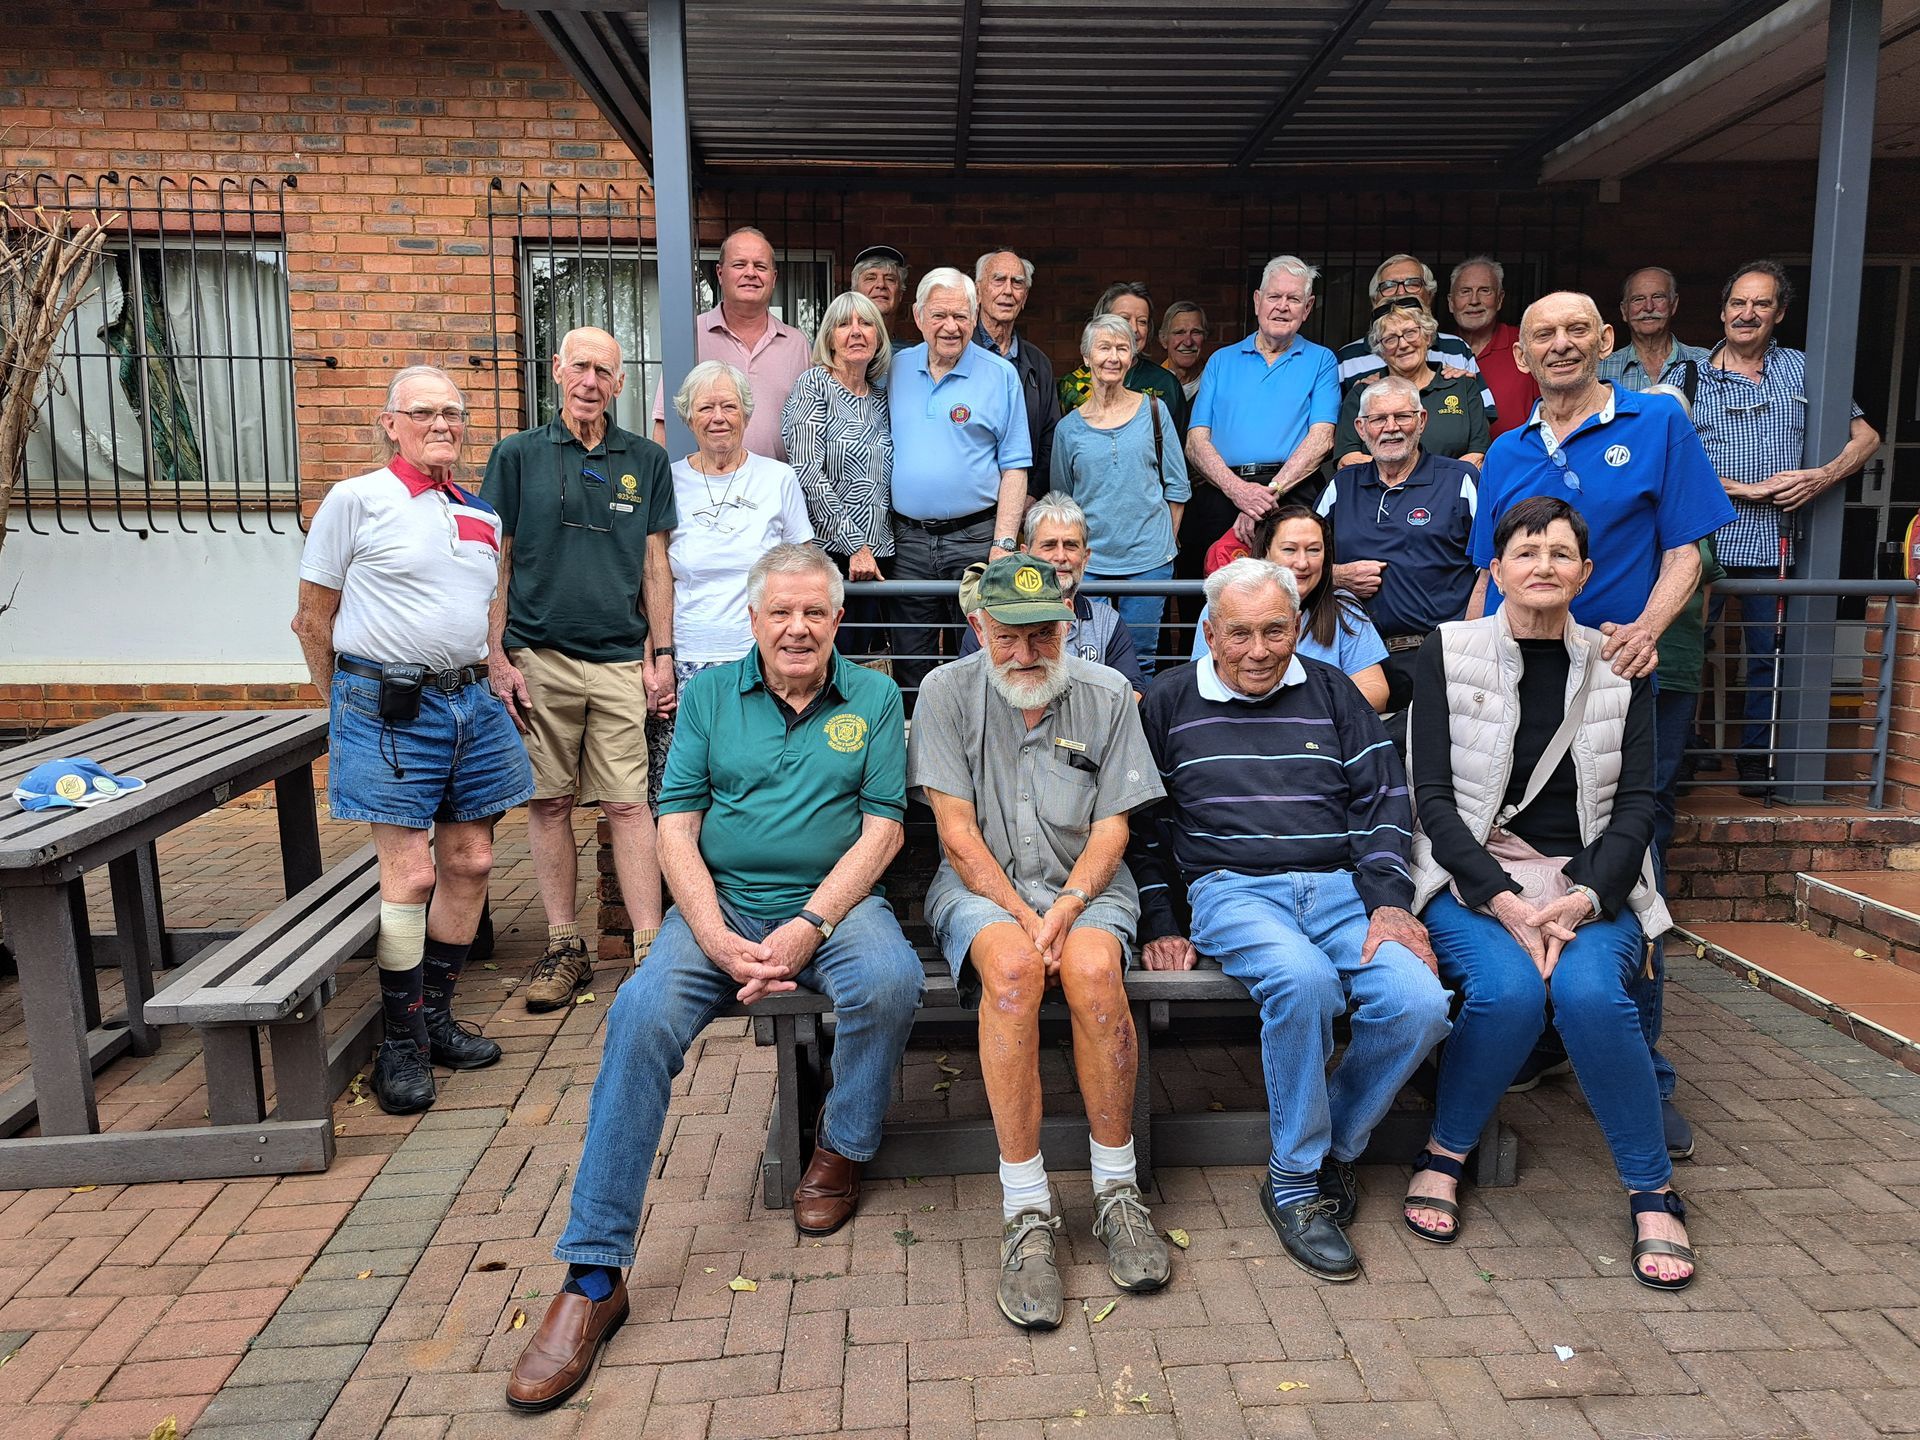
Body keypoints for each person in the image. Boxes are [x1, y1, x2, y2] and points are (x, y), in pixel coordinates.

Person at [507, 544, 922, 1413]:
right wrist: (711, 933)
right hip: (721, 908)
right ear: (755, 620)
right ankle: (592, 1277)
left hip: (834, 909)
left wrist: (810, 926)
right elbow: (675, 824)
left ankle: (839, 1150)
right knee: (639, 1014)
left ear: (838, 620)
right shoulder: (706, 696)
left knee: (890, 983)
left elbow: (883, 830)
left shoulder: (877, 697)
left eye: (815, 612)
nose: (798, 627)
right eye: (782, 612)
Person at [1130, 557, 1450, 1283]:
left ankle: (1332, 1145)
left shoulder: (1336, 692)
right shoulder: (1170, 702)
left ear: (1300, 627)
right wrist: (1160, 918)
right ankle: (1297, 1182)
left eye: (1276, 630)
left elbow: (1382, 806)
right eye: (1238, 633)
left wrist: (1391, 905)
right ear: (1210, 633)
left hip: (1340, 890)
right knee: (1303, 984)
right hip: (1232, 891)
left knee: (1419, 1002)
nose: (1258, 650)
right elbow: (1143, 827)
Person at [1404, 496, 1695, 1292]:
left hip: (1587, 878)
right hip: (1475, 873)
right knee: (1507, 997)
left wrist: (1583, 898)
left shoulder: (1620, 660)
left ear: (1585, 573)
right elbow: (1430, 795)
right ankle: (1446, 1152)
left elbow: (1638, 803)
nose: (1542, 566)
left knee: (1594, 996)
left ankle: (1650, 1189)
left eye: (1560, 554)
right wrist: (1499, 896)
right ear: (1496, 570)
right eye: (1525, 553)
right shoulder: (1449, 647)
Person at [1468, 291, 1734, 1159]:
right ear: (1521, 357)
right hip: (1520, 693)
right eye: (1542, 333)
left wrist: (1647, 634)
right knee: (1525, 846)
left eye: (1577, 329)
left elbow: (1685, 550)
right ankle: (1546, 1038)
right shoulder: (1507, 450)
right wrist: (1463, 672)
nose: (1560, 344)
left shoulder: (1657, 425)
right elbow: (1487, 576)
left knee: (1630, 861)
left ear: (1606, 341)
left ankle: (1641, 1072)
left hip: (1625, 683)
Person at [911, 553, 1170, 1330]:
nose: (1026, 654)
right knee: (1017, 974)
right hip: (981, 888)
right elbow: (955, 836)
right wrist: (1029, 920)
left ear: (1068, 625)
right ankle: (1027, 1209)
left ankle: (1117, 1193)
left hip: (1084, 886)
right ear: (978, 626)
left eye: (1044, 635)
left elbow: (1114, 825)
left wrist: (1067, 906)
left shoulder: (1105, 696)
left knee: (1094, 971)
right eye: (1008, 637)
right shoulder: (944, 693)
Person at [292, 366, 532, 1114]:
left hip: (470, 702)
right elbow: (311, 619)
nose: (442, 424)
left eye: (453, 413)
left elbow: (487, 602)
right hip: (384, 703)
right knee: (412, 876)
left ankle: (433, 1016)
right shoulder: (356, 500)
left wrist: (495, 659)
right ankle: (399, 1041)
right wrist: (345, 709)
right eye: (423, 412)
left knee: (473, 860)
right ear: (390, 422)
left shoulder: (480, 512)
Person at [484, 327, 675, 1012]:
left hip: (623, 659)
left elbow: (657, 563)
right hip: (539, 656)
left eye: (606, 371)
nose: (591, 381)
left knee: (629, 803)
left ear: (622, 384)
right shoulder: (517, 456)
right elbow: (496, 560)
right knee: (550, 802)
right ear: (558, 369)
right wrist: (497, 653)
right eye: (581, 367)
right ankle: (566, 945)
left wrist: (662, 655)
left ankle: (652, 950)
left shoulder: (645, 460)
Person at [1692, 260, 1882, 796]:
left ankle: (1755, 758)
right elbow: (1669, 460)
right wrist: (1743, 489)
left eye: (1761, 304)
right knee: (1688, 649)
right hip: (1702, 540)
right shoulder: (1687, 376)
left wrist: (1822, 477)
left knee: (1766, 654)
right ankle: (1683, 753)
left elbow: (1866, 439)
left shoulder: (1803, 369)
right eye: (1738, 303)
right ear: (1722, 309)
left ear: (1779, 313)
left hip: (1774, 541)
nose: (1746, 314)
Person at [647, 361, 814, 797]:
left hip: (762, 661)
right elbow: (653, 573)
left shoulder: (777, 478)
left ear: (747, 413)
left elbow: (803, 566)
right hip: (686, 662)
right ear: (686, 417)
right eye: (705, 408)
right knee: (684, 789)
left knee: (762, 781)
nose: (717, 417)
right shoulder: (668, 479)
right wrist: (657, 657)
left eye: (729, 406)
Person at [886, 266, 1031, 701]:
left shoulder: (1001, 375)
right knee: (911, 660)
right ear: (918, 317)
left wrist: (1003, 543)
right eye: (939, 315)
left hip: (975, 537)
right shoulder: (893, 368)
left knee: (982, 652)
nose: (951, 327)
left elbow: (1016, 467)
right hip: (907, 540)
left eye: (961, 316)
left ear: (974, 316)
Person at [1318, 375, 1480, 713]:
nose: (1391, 428)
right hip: (1359, 659)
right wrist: (1337, 576)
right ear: (1361, 429)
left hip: (1441, 655)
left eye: (1402, 416)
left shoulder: (1460, 479)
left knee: (1435, 759)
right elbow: (1293, 558)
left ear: (1421, 421)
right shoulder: (1342, 485)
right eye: (1378, 419)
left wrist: (1469, 640)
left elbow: (1494, 565)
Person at [1048, 314, 1190, 669]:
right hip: (1090, 566)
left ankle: (1139, 726)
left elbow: (1177, 486)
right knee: (1085, 658)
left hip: (1148, 564)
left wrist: (1163, 545)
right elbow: (1063, 502)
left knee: (1141, 660)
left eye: (1122, 348)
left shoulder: (1154, 411)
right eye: (1104, 348)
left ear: (1132, 358)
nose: (1113, 357)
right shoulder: (1069, 430)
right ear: (1086, 357)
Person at [1182, 255, 1339, 573]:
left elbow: (1321, 439)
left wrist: (1265, 497)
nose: (1282, 306)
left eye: (1293, 299)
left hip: (1290, 493)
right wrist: (1239, 492)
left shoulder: (1321, 361)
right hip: (1222, 491)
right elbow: (1196, 442)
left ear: (1307, 308)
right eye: (1274, 296)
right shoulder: (1221, 361)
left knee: (1291, 587)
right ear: (1257, 301)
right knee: (1208, 590)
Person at [781, 291, 894, 651]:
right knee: (831, 659)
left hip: (881, 556)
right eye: (844, 324)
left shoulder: (880, 397)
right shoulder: (814, 386)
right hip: (834, 555)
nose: (856, 332)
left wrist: (871, 549)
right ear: (830, 337)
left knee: (873, 662)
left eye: (866, 324)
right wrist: (854, 544)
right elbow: (807, 472)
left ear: (879, 337)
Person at [1193, 507, 1389, 712]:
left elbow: (1376, 692)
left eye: (1314, 550)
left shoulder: (1343, 608)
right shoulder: (1224, 605)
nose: (1303, 563)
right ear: (1266, 551)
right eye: (1289, 549)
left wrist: (1298, 713)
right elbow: (1200, 684)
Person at [958, 494, 1147, 693]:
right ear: (1026, 553)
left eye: (1070, 545)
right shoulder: (992, 617)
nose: (1060, 557)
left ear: (1086, 557)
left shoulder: (1106, 622)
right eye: (1048, 545)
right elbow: (967, 689)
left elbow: (1132, 692)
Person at [651, 227, 810, 461]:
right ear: (720, 273)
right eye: (739, 264)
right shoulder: (691, 336)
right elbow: (664, 425)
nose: (751, 273)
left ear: (773, 278)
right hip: (705, 487)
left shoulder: (797, 344)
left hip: (776, 490)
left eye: (760, 266)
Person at [1334, 254, 1497, 424]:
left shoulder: (1457, 349)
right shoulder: (1347, 358)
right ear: (1375, 300)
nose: (1401, 292)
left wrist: (1465, 389)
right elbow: (1335, 429)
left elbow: (1482, 419)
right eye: (1389, 286)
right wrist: (1357, 398)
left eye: (1413, 284)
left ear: (1430, 295)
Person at [1331, 306, 1488, 469]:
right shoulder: (1362, 394)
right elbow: (1348, 461)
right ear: (1381, 351)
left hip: (1451, 492)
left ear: (1427, 337)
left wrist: (1435, 483)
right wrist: (1402, 481)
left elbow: (1478, 456)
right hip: (1382, 493)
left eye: (1411, 333)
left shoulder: (1463, 387)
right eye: (1390, 339)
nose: (1403, 344)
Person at [974, 248, 1062, 487]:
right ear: (978, 290)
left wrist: (1033, 493)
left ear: (1024, 298)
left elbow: (1050, 436)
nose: (1008, 291)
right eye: (999, 280)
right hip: (970, 507)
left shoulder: (1038, 362)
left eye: (1017, 283)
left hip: (1023, 498)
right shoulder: (959, 353)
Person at [1058, 281, 1189, 434]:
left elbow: (1178, 447)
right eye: (1124, 319)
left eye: (1142, 321)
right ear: (1102, 321)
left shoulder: (1165, 383)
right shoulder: (1072, 386)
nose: (1133, 329)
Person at [1447, 255, 1535, 441]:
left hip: (1517, 464)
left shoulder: (1526, 345)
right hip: (1450, 466)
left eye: (1484, 291)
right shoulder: (1436, 350)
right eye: (1465, 291)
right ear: (1450, 302)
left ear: (1500, 299)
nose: (1474, 301)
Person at [1597, 267, 1709, 396]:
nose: (1648, 307)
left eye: (1658, 297)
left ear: (1674, 304)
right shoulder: (1600, 370)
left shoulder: (1705, 362)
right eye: (1638, 299)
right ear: (1624, 311)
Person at [851, 244, 909, 335]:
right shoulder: (840, 347)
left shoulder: (913, 349)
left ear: (900, 294)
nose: (881, 284)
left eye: (890, 279)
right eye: (870, 278)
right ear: (855, 291)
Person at [1158, 301, 1208, 401]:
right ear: (1163, 339)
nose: (1188, 342)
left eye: (1196, 332)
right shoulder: (1152, 383)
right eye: (1179, 332)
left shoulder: (1216, 382)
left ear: (1205, 338)